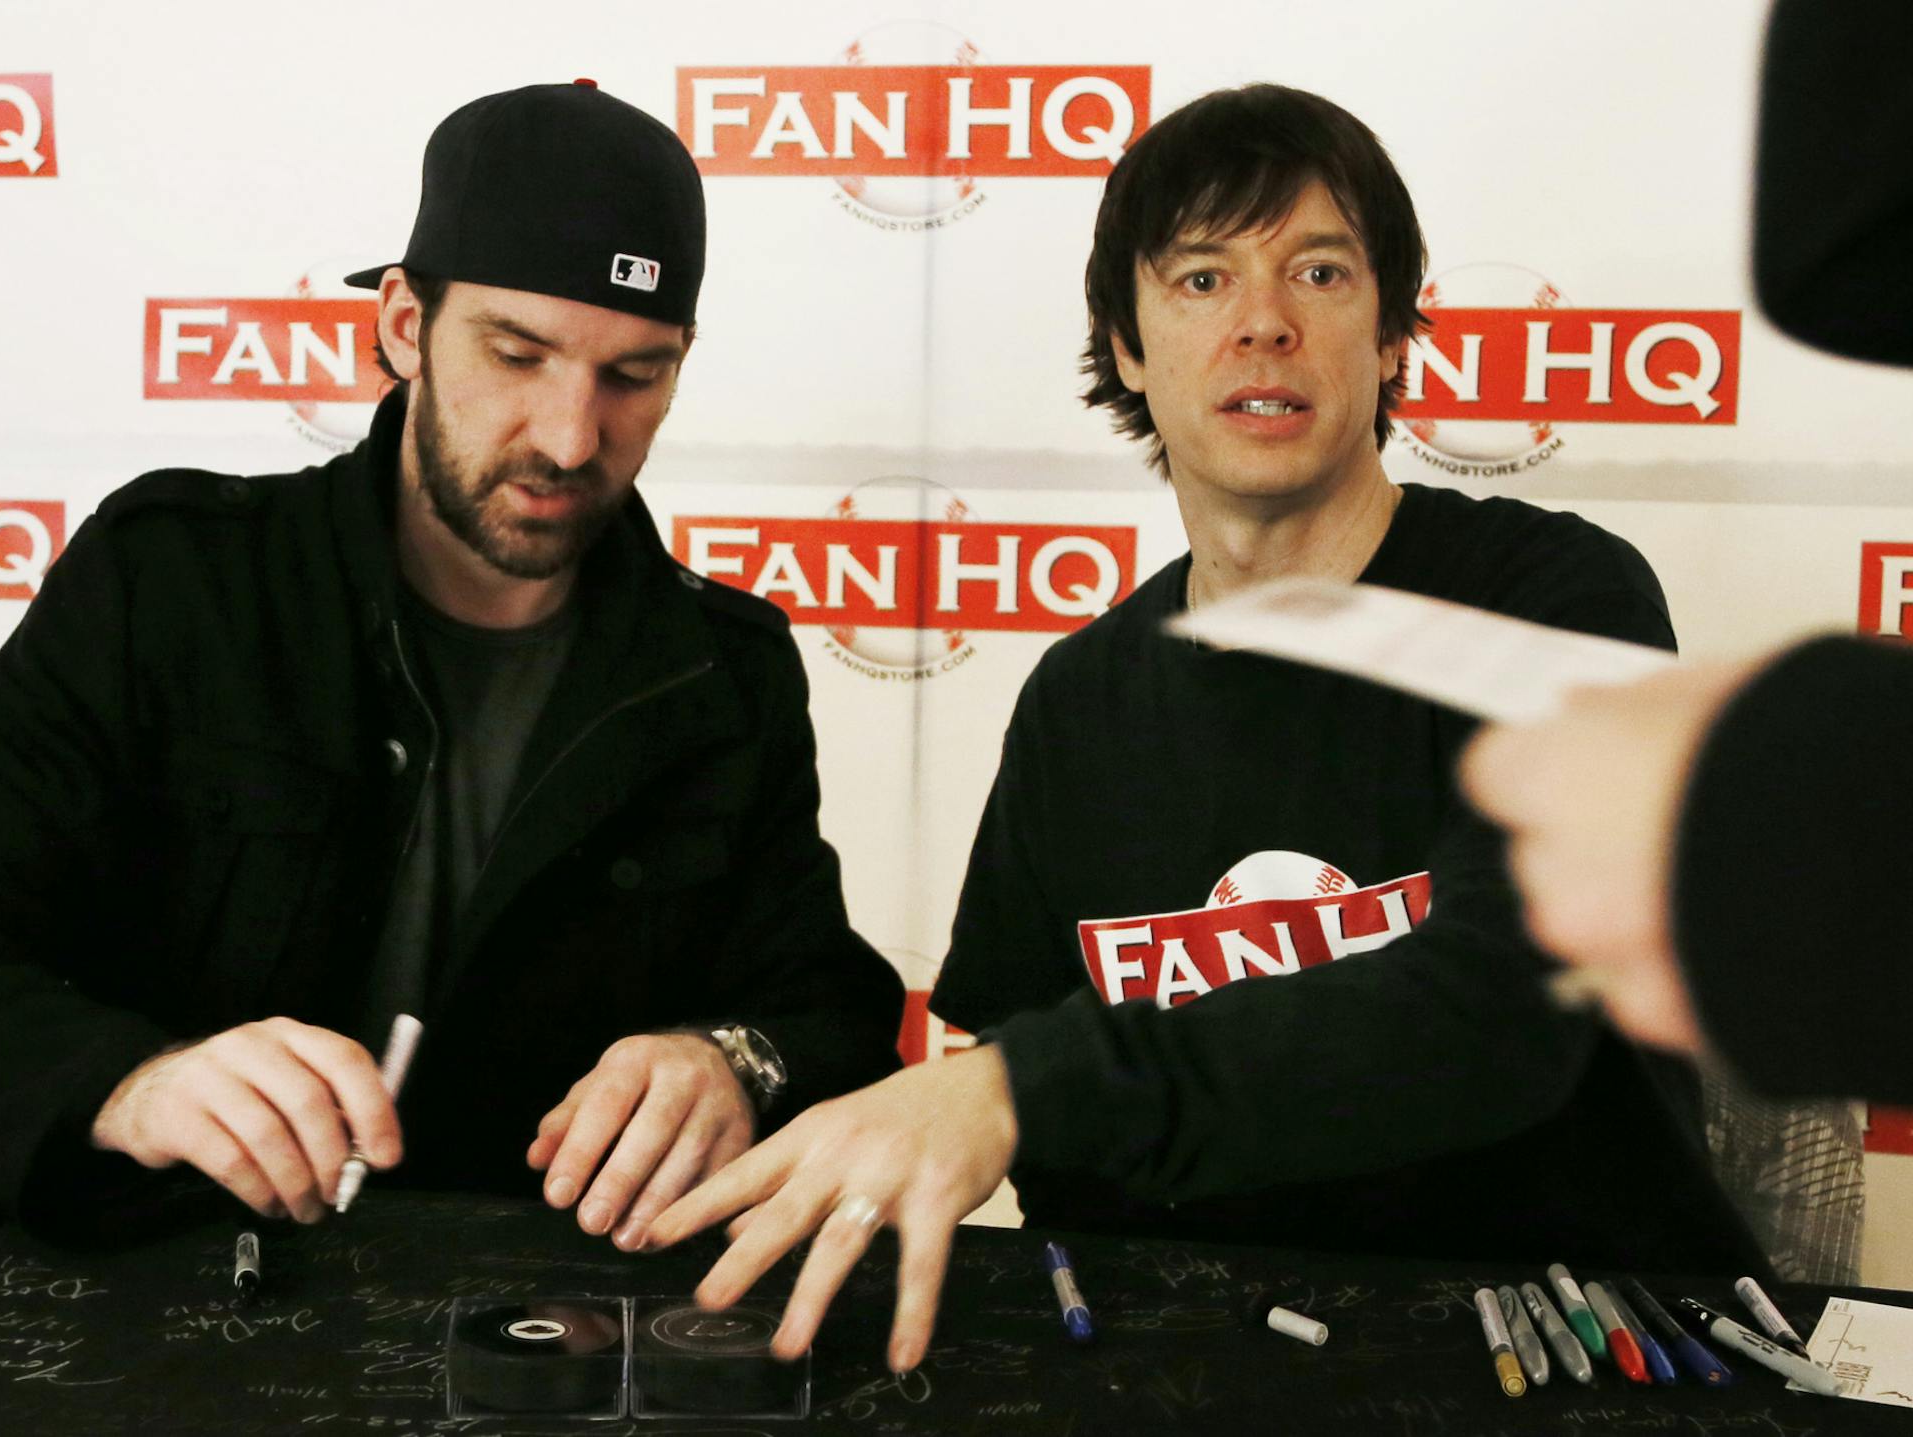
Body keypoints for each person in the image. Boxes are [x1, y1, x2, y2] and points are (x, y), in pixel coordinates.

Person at [647, 83, 1764, 1372]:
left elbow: (1494, 1017)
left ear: (1395, 333)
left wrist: (1021, 1093)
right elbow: (1033, 1092)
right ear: (1127, 345)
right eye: (1200, 281)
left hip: (1570, 1356)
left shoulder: (1559, 605)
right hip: (1214, 1357)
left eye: (1321, 272)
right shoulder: (1077, 703)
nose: (1265, 324)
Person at [0, 82, 902, 1242]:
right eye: (517, 352)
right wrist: (129, 1085)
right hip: (163, 1300)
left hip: (530, 1339)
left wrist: (730, 1062)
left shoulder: (724, 673)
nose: (571, 435)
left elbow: (827, 1004)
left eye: (633, 375)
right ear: (402, 327)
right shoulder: (174, 581)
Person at [1457, 0, 1913, 1105]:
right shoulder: (1093, 684)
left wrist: (1782, 817)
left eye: (1320, 274)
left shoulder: (1558, 582)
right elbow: (1850, 236)